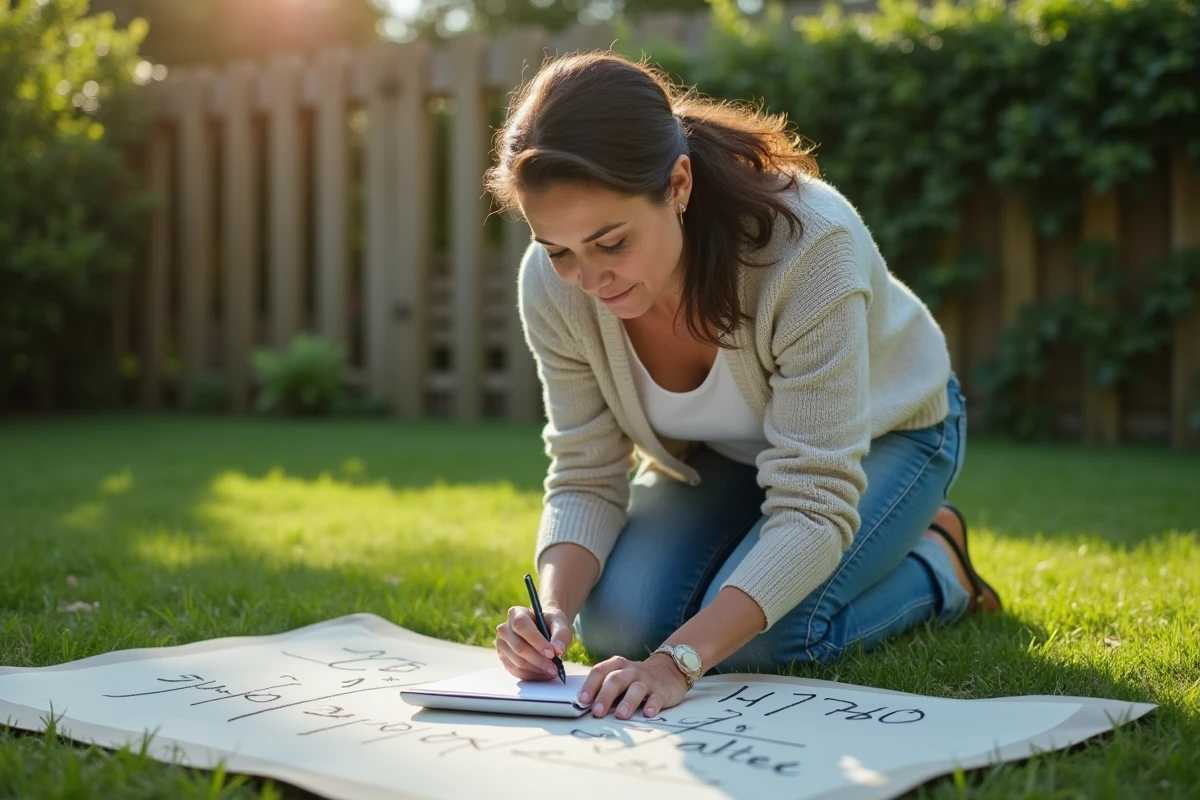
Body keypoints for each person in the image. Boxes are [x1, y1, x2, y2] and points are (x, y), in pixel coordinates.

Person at [484, 52, 1001, 723]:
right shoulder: (552, 283)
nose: (587, 278)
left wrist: (678, 662)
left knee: (769, 639)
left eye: (611, 243)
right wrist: (552, 612)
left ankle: (941, 566)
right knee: (616, 629)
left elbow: (814, 499)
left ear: (677, 184)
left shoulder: (809, 246)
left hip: (890, 433)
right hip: (725, 457)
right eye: (558, 249)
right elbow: (585, 471)